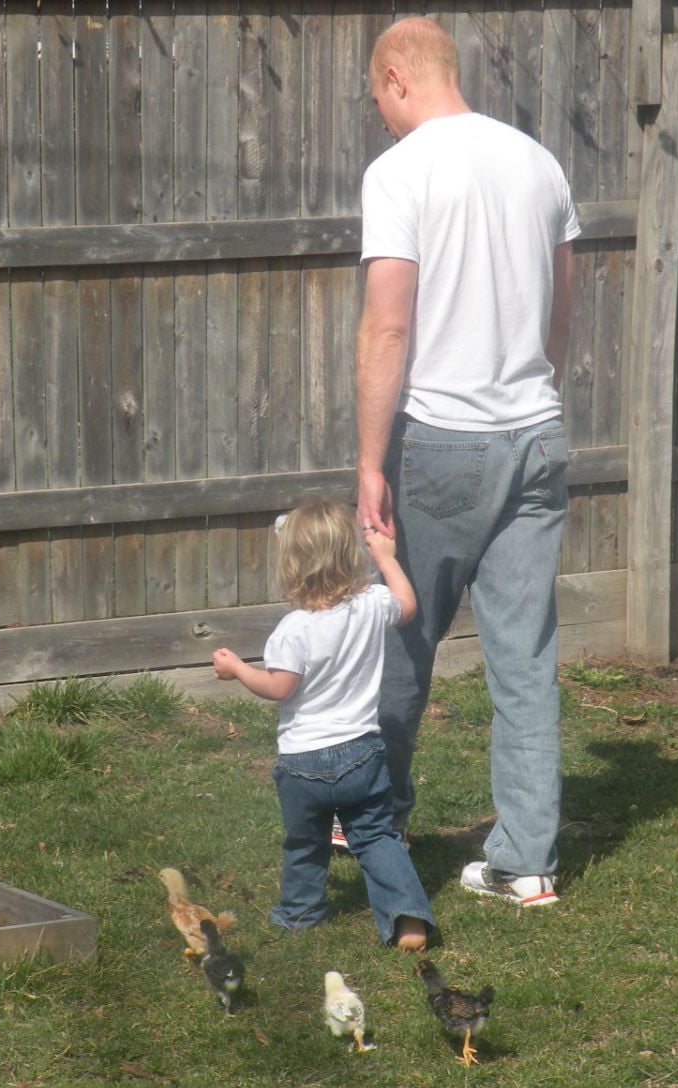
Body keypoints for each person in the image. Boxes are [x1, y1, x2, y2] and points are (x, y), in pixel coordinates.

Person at [354, 16, 579, 909]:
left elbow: (387, 327)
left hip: (442, 441)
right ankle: (525, 861)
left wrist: (370, 462)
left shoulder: (400, 171)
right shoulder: (538, 162)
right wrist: (529, 393)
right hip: (537, 436)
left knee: (402, 638)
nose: (379, 116)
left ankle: (370, 819)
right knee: (524, 655)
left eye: (376, 98)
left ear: (397, 78)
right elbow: (561, 313)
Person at [212, 500, 434, 951]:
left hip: (303, 762)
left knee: (305, 842)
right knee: (376, 836)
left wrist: (238, 669)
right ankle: (408, 917)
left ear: (291, 566)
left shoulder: (293, 630)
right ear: (352, 556)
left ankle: (300, 914)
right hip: (362, 752)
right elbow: (408, 606)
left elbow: (279, 688)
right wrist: (387, 559)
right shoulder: (372, 605)